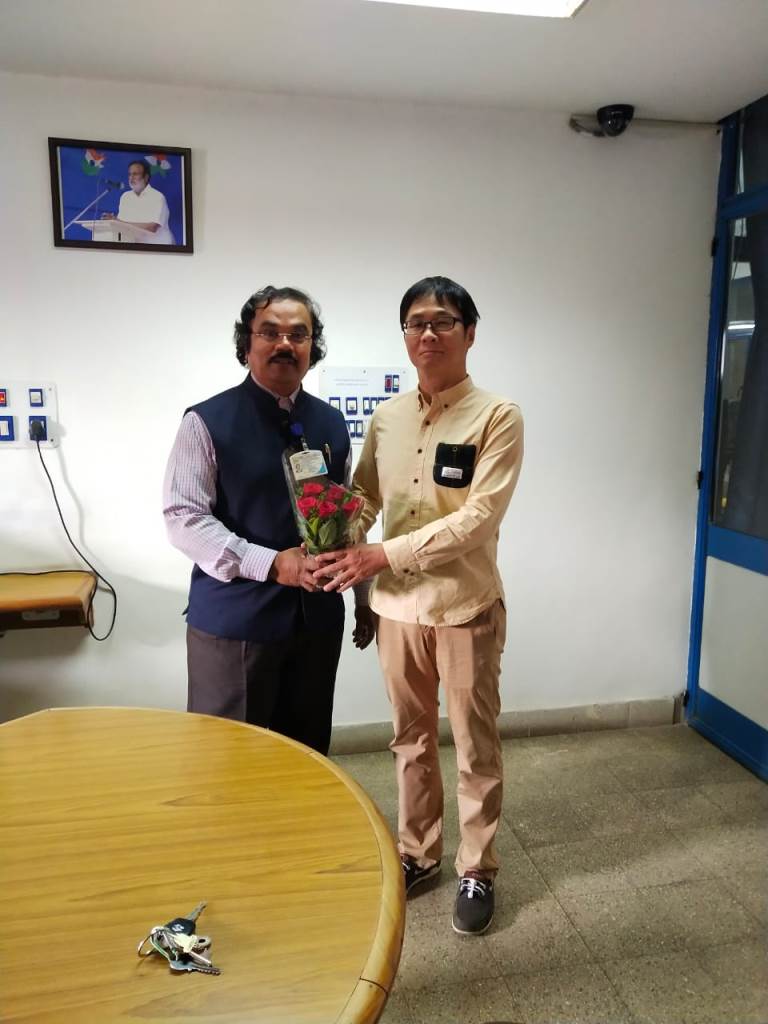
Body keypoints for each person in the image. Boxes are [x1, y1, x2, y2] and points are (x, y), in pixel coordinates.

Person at [314, 276, 523, 934]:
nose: (427, 333)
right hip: (397, 611)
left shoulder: (498, 416)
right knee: (409, 740)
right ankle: (418, 853)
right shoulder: (387, 418)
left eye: (442, 321)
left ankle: (477, 867)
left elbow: (479, 518)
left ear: (469, 333)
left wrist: (383, 555)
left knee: (474, 746)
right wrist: (332, 532)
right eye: (415, 323)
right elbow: (365, 498)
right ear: (404, 336)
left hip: (464, 608)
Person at [163, 285, 374, 755]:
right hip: (236, 626)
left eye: (299, 334)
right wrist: (273, 564)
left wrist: (363, 595)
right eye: (270, 332)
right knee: (228, 760)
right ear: (247, 345)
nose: (285, 343)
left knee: (307, 755)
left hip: (316, 625)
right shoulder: (206, 421)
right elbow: (183, 517)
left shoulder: (331, 423)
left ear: (312, 347)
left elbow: (346, 519)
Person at [101, 159, 174, 244]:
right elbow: (122, 225)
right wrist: (114, 221)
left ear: (146, 177)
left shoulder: (157, 197)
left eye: (135, 174)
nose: (131, 178)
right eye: (130, 174)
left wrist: (118, 221)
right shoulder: (125, 197)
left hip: (158, 247)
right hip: (132, 246)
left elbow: (152, 228)